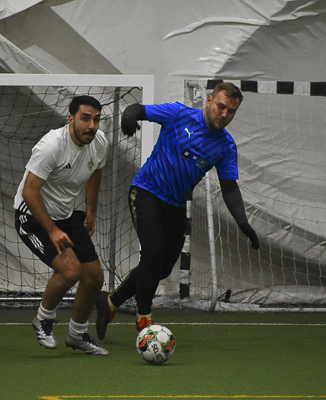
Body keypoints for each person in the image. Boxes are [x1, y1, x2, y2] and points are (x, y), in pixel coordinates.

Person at [96, 82, 260, 340]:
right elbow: (139, 109)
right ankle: (144, 319)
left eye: (231, 111)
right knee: (153, 253)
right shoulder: (178, 113)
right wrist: (129, 115)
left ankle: (110, 302)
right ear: (209, 101)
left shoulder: (225, 146)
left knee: (160, 270)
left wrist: (243, 222)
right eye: (220, 106)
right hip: (146, 192)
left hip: (176, 206)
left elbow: (229, 188)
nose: (224, 114)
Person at [14, 95, 109, 355]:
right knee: (70, 270)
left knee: (94, 278)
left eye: (96, 119)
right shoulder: (51, 146)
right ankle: (43, 319)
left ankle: (77, 334)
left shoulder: (99, 142)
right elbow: (30, 192)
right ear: (71, 119)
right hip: (32, 217)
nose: (91, 125)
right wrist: (52, 230)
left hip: (66, 216)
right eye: (85, 118)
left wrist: (91, 211)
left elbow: (95, 170)